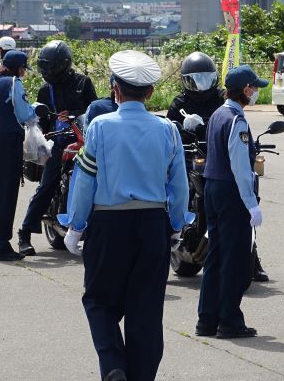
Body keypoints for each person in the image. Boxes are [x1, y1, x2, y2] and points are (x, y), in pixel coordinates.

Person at [59, 50, 191, 381]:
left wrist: (76, 226)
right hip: (152, 225)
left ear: (115, 88)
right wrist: (175, 226)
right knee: (145, 312)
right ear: (149, 92)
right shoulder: (167, 129)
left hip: (108, 224)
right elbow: (180, 187)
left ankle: (114, 364)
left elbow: (85, 182)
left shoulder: (100, 126)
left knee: (99, 301)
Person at [166, 51, 270, 282]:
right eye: (196, 79)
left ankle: (253, 259)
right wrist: (183, 130)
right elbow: (170, 131)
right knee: (173, 189)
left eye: (206, 78)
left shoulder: (220, 101)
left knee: (235, 222)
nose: (202, 85)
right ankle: (168, 239)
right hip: (190, 156)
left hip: (215, 159)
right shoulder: (180, 102)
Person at [195, 65, 267, 339]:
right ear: (246, 90)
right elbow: (239, 165)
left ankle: (207, 319)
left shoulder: (217, 114)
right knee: (235, 259)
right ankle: (230, 321)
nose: (256, 92)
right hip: (230, 191)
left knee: (215, 256)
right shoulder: (236, 120)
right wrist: (251, 203)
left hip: (212, 188)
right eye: (254, 88)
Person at [17, 40, 97, 256]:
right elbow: (41, 121)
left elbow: (95, 111)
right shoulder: (45, 90)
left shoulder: (83, 83)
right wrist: (43, 132)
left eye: (54, 66)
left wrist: (75, 113)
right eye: (47, 66)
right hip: (58, 143)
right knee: (48, 184)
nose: (50, 71)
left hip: (84, 141)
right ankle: (24, 233)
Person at [0, 51, 38, 261]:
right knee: (6, 192)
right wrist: (36, 110)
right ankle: (1, 246)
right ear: (17, 67)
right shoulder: (14, 83)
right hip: (7, 140)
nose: (24, 72)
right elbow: (24, 114)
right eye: (24, 68)